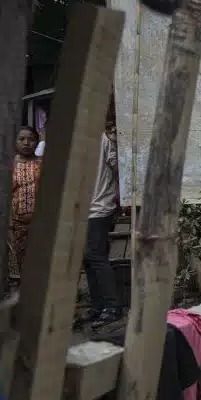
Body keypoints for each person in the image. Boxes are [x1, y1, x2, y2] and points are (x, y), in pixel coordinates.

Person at [79, 110, 123, 328]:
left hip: (99, 207)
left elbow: (117, 167)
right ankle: (98, 306)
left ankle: (112, 306)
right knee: (88, 259)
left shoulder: (104, 140)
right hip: (83, 210)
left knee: (94, 255)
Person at [8, 126, 41, 279]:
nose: (26, 143)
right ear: (15, 142)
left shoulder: (43, 165)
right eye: (22, 139)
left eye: (31, 139)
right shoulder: (9, 166)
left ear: (37, 142)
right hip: (16, 225)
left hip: (41, 223)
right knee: (22, 263)